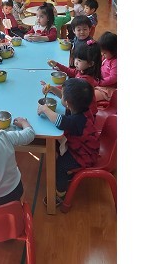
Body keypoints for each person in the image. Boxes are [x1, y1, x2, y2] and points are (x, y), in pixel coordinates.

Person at [37, 78, 99, 207]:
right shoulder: (81, 108)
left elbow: (60, 122)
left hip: (84, 155)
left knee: (60, 165)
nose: (62, 94)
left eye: (63, 93)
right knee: (58, 147)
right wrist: (53, 89)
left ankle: (60, 194)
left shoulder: (77, 120)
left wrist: (45, 109)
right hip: (82, 146)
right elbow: (66, 99)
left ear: (67, 103)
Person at [44, 40, 102, 115]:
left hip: (85, 115)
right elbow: (71, 71)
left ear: (90, 64)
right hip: (78, 106)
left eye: (79, 60)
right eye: (75, 58)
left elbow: (69, 95)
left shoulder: (85, 81)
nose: (76, 62)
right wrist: (57, 64)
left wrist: (53, 88)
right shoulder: (82, 71)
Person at [95, 32, 117, 102]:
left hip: (108, 88)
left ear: (113, 51)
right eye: (101, 52)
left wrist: (99, 82)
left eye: (104, 53)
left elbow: (113, 78)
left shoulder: (115, 62)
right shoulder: (106, 58)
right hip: (100, 83)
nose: (102, 54)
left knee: (91, 96)